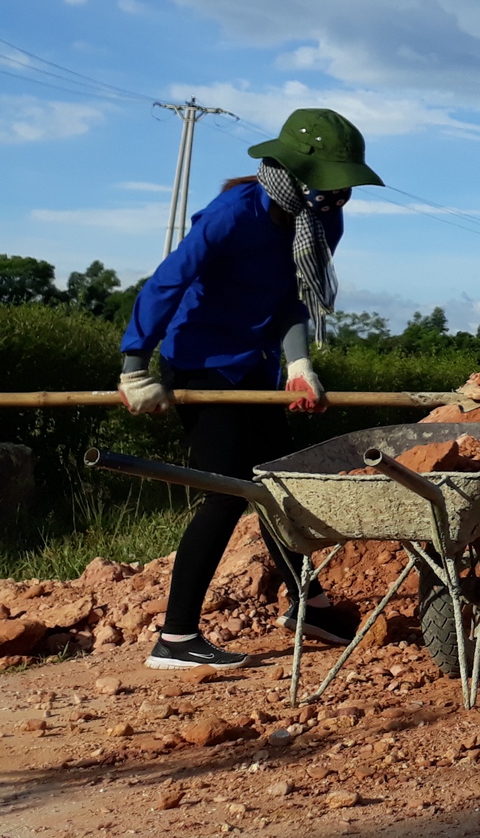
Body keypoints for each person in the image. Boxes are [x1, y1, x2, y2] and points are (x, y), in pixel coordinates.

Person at [119, 108, 382, 670]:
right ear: (295, 170)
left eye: (344, 183)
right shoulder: (232, 214)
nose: (340, 194)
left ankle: (308, 605)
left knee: (280, 487)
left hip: (256, 369)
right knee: (227, 490)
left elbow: (292, 299)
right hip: (201, 363)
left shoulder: (321, 222)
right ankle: (177, 637)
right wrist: (135, 365)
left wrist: (298, 364)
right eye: (331, 181)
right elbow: (169, 281)